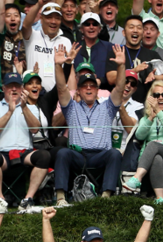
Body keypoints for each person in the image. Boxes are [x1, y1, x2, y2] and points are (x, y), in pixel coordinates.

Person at [53, 44, 127, 205]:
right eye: (84, 86)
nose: (88, 88)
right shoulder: (71, 108)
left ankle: (105, 197)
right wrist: (58, 65)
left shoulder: (107, 107)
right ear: (78, 90)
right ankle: (60, 198)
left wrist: (121, 66)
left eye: (92, 86)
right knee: (62, 153)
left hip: (101, 155)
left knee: (114, 153)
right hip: (78, 155)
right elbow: (61, 88)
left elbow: (120, 88)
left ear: (97, 89)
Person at [0, 72, 51, 213]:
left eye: (17, 86)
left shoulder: (31, 107)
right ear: (3, 89)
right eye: (10, 86)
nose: (14, 89)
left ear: (22, 89)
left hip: (23, 152)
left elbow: (35, 129)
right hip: (1, 154)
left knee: (44, 156)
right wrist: (9, 112)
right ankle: (0, 200)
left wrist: (24, 107)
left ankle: (28, 199)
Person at [123, 82, 163, 203]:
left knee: (152, 144)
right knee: (156, 157)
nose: (160, 97)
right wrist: (151, 118)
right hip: (151, 159)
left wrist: (159, 113)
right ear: (151, 98)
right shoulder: (146, 117)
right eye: (156, 95)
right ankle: (160, 198)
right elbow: (139, 136)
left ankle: (137, 178)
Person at [105, 15, 163, 104]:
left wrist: (155, 77)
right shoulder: (116, 52)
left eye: (139, 28)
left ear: (143, 32)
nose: (135, 30)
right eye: (131, 27)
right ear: (124, 32)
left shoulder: (153, 54)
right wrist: (134, 71)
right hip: (119, 105)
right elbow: (111, 79)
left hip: (146, 106)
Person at [22, 0, 72, 92]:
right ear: (41, 19)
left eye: (57, 18)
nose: (53, 21)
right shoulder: (32, 35)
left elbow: (70, 71)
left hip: (57, 95)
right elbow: (25, 25)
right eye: (49, 17)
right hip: (34, 93)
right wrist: (38, 5)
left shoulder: (66, 41)